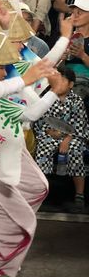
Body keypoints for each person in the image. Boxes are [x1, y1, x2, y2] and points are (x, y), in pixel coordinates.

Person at [33, 66, 88, 213]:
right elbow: (39, 120)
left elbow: (80, 124)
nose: (58, 82)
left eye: (62, 80)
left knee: (75, 151)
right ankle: (39, 193)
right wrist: (49, 131)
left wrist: (67, 138)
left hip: (72, 137)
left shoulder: (76, 100)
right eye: (56, 79)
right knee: (43, 149)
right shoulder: (47, 98)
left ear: (71, 84)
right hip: (49, 135)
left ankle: (80, 195)